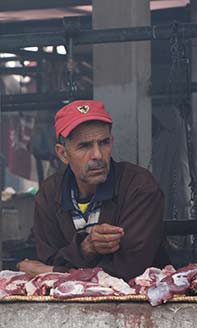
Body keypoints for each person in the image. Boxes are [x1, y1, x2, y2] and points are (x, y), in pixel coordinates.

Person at [17, 100, 168, 281]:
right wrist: (85, 247)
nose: (97, 155)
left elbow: (127, 270)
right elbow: (47, 256)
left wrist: (52, 272)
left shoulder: (139, 186)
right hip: (64, 307)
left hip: (138, 304)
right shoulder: (49, 193)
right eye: (85, 146)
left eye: (104, 143)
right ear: (63, 153)